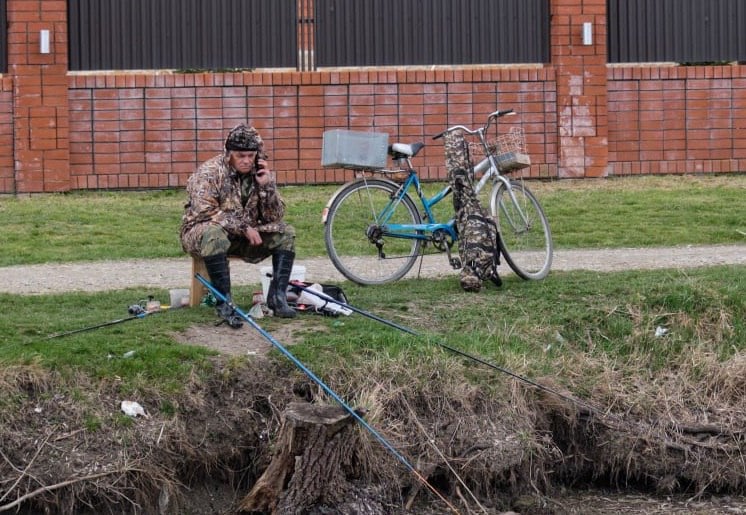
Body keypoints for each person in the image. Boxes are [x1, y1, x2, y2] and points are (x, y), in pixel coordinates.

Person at [180, 124, 297, 327]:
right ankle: (225, 302)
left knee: (286, 233)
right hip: (203, 234)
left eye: (250, 156)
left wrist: (267, 186)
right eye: (240, 155)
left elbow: (274, 217)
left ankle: (278, 299)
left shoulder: (259, 174)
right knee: (214, 233)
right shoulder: (209, 172)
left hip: (242, 237)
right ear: (229, 154)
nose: (246, 161)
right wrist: (244, 228)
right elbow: (205, 212)